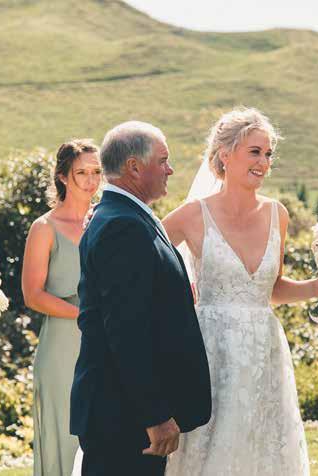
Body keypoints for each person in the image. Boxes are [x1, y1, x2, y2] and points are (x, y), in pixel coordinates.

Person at [163, 107, 318, 475]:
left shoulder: (277, 214)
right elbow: (144, 259)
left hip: (263, 349)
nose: (264, 163)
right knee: (208, 445)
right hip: (210, 349)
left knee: (262, 446)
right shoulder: (192, 215)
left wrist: (317, 287)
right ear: (225, 155)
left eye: (268, 154)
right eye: (255, 151)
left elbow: (272, 290)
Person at [69, 121, 211, 476]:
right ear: (133, 167)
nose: (170, 169)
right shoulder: (123, 226)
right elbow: (125, 331)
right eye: (163, 160)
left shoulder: (124, 216)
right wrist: (155, 415)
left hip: (124, 414)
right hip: (124, 419)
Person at [22, 139, 102, 476]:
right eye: (81, 172)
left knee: (102, 436)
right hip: (61, 347)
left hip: (104, 343)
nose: (91, 180)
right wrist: (85, 316)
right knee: (63, 438)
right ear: (62, 176)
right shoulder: (45, 228)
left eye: (96, 171)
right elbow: (32, 295)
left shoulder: (106, 221)